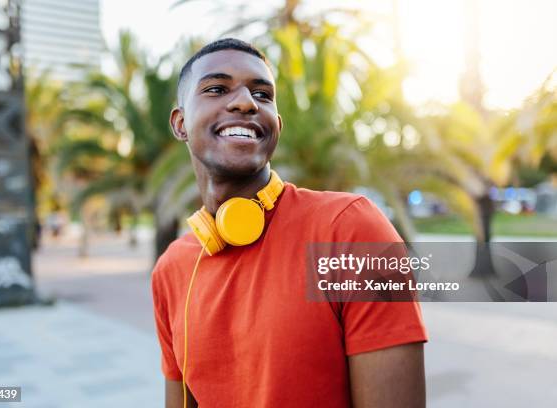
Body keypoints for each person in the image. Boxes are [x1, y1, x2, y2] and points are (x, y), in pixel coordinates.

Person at [151, 38, 428, 408]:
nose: (246, 102)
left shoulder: (351, 230)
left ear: (276, 126)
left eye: (262, 94)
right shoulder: (171, 269)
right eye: (217, 89)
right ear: (180, 122)